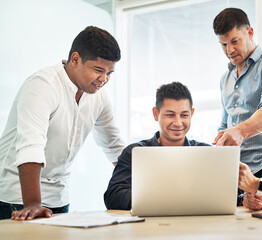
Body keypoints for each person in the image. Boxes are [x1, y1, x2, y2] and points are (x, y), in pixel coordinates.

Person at [0, 26, 125, 220]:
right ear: (75, 59)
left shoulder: (99, 97)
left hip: (59, 199)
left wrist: (140, 191)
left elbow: (115, 147)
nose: (104, 79)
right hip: (15, 198)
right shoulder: (42, 85)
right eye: (99, 70)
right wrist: (33, 204)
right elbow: (31, 145)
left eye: (110, 73)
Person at [212, 8, 262, 183]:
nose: (229, 50)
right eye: (223, 45)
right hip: (233, 169)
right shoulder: (225, 78)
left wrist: (239, 132)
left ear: (249, 32)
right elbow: (225, 124)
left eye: (235, 41)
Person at [104, 82, 210, 210]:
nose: (178, 122)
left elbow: (231, 194)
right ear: (156, 114)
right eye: (170, 115)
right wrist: (159, 199)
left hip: (198, 225)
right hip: (150, 226)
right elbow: (113, 196)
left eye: (184, 115)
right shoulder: (135, 152)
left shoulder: (206, 153)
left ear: (191, 114)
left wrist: (241, 196)